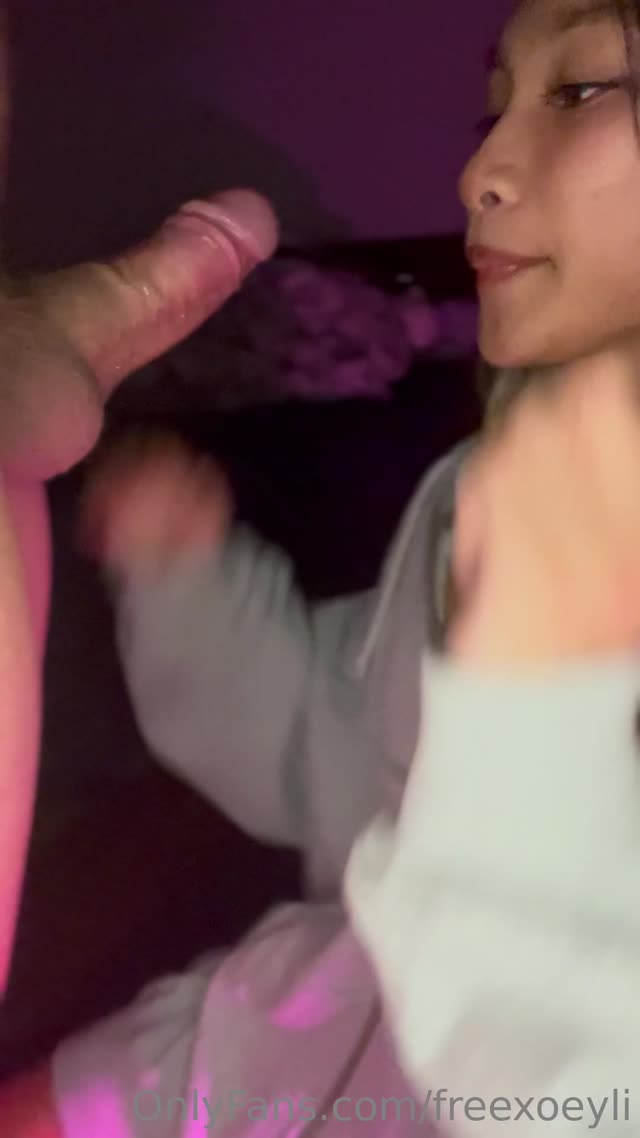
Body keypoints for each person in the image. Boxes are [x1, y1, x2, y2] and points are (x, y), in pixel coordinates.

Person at [6, 0, 640, 1133]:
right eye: (490, 109)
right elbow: (337, 765)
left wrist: (536, 706)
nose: (479, 174)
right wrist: (189, 583)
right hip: (299, 1027)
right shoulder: (477, 492)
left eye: (581, 89)